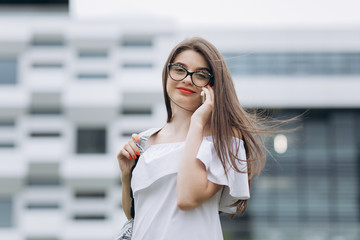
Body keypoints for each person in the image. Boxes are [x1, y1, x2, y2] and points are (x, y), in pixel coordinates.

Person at [117, 37, 268, 239]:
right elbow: (136, 214)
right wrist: (126, 175)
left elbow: (187, 198)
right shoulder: (145, 139)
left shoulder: (223, 137)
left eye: (200, 75)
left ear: (212, 85)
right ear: (167, 73)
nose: (187, 79)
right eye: (179, 69)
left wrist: (197, 122)